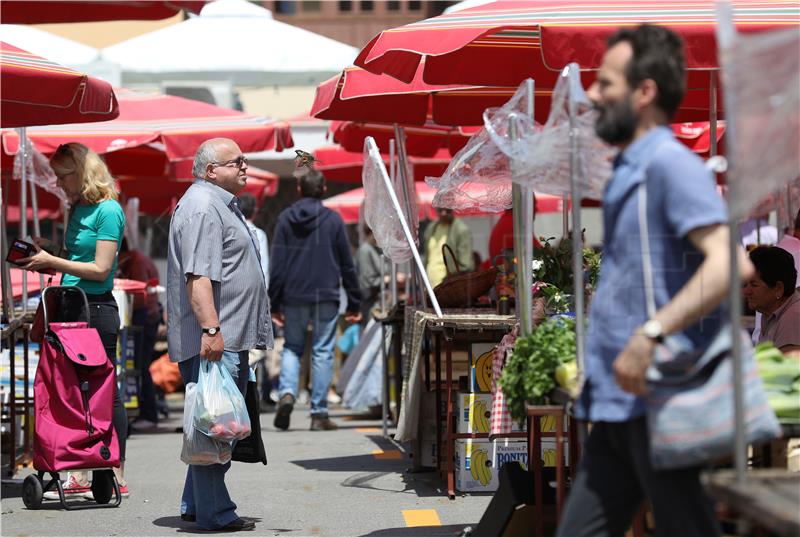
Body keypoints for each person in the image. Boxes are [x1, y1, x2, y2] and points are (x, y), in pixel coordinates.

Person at [556, 25, 754, 537]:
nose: (594, 96)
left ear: (643, 92)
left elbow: (731, 264)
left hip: (658, 400)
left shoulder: (669, 165)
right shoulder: (628, 171)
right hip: (621, 404)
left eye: (607, 84)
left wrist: (650, 335)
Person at [167, 138, 272, 532]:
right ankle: (217, 514)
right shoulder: (203, 206)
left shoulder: (215, 203)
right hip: (213, 339)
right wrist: (211, 329)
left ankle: (196, 504)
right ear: (211, 170)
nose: (245, 167)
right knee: (216, 428)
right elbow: (199, 278)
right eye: (237, 162)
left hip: (225, 336)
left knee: (210, 422)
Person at [19, 142, 129, 499]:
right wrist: (47, 252)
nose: (59, 183)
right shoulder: (78, 207)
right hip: (69, 303)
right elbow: (76, 259)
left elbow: (99, 269)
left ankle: (112, 466)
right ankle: (79, 465)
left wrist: (55, 260)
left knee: (101, 389)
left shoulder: (108, 210)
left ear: (81, 173)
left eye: (63, 176)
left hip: (95, 307)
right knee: (71, 390)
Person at [269, 169, 361, 431]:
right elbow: (347, 264)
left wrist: (273, 302)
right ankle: (319, 413)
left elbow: (277, 265)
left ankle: (287, 392)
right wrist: (354, 302)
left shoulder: (286, 219)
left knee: (292, 347)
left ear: (299, 189)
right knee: (322, 350)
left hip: (294, 294)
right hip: (326, 295)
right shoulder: (333, 221)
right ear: (323, 190)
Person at [117, 237, 162, 430]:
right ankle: (147, 411)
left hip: (145, 319)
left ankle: (149, 414)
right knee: (139, 366)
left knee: (141, 366)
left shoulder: (136, 263)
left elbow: (142, 298)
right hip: (144, 317)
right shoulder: (133, 261)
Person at [238, 193, 274, 408]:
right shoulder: (257, 233)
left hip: (231, 300)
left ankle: (242, 394)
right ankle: (248, 394)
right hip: (254, 299)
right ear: (255, 211)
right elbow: (264, 271)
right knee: (254, 350)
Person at [744, 246, 800, 356]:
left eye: (754, 285)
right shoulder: (770, 311)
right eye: (746, 284)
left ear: (778, 288)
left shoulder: (792, 318)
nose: (746, 291)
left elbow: (786, 370)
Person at [422, 207, 473, 288]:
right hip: (429, 283)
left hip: (448, 286)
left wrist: (453, 280)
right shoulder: (431, 228)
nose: (443, 213)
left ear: (453, 209)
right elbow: (427, 256)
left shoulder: (461, 230)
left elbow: (465, 264)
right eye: (440, 210)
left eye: (447, 210)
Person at [355, 225, 391, 324]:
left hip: (379, 302)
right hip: (371, 305)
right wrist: (387, 279)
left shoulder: (375, 249)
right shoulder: (365, 251)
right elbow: (367, 281)